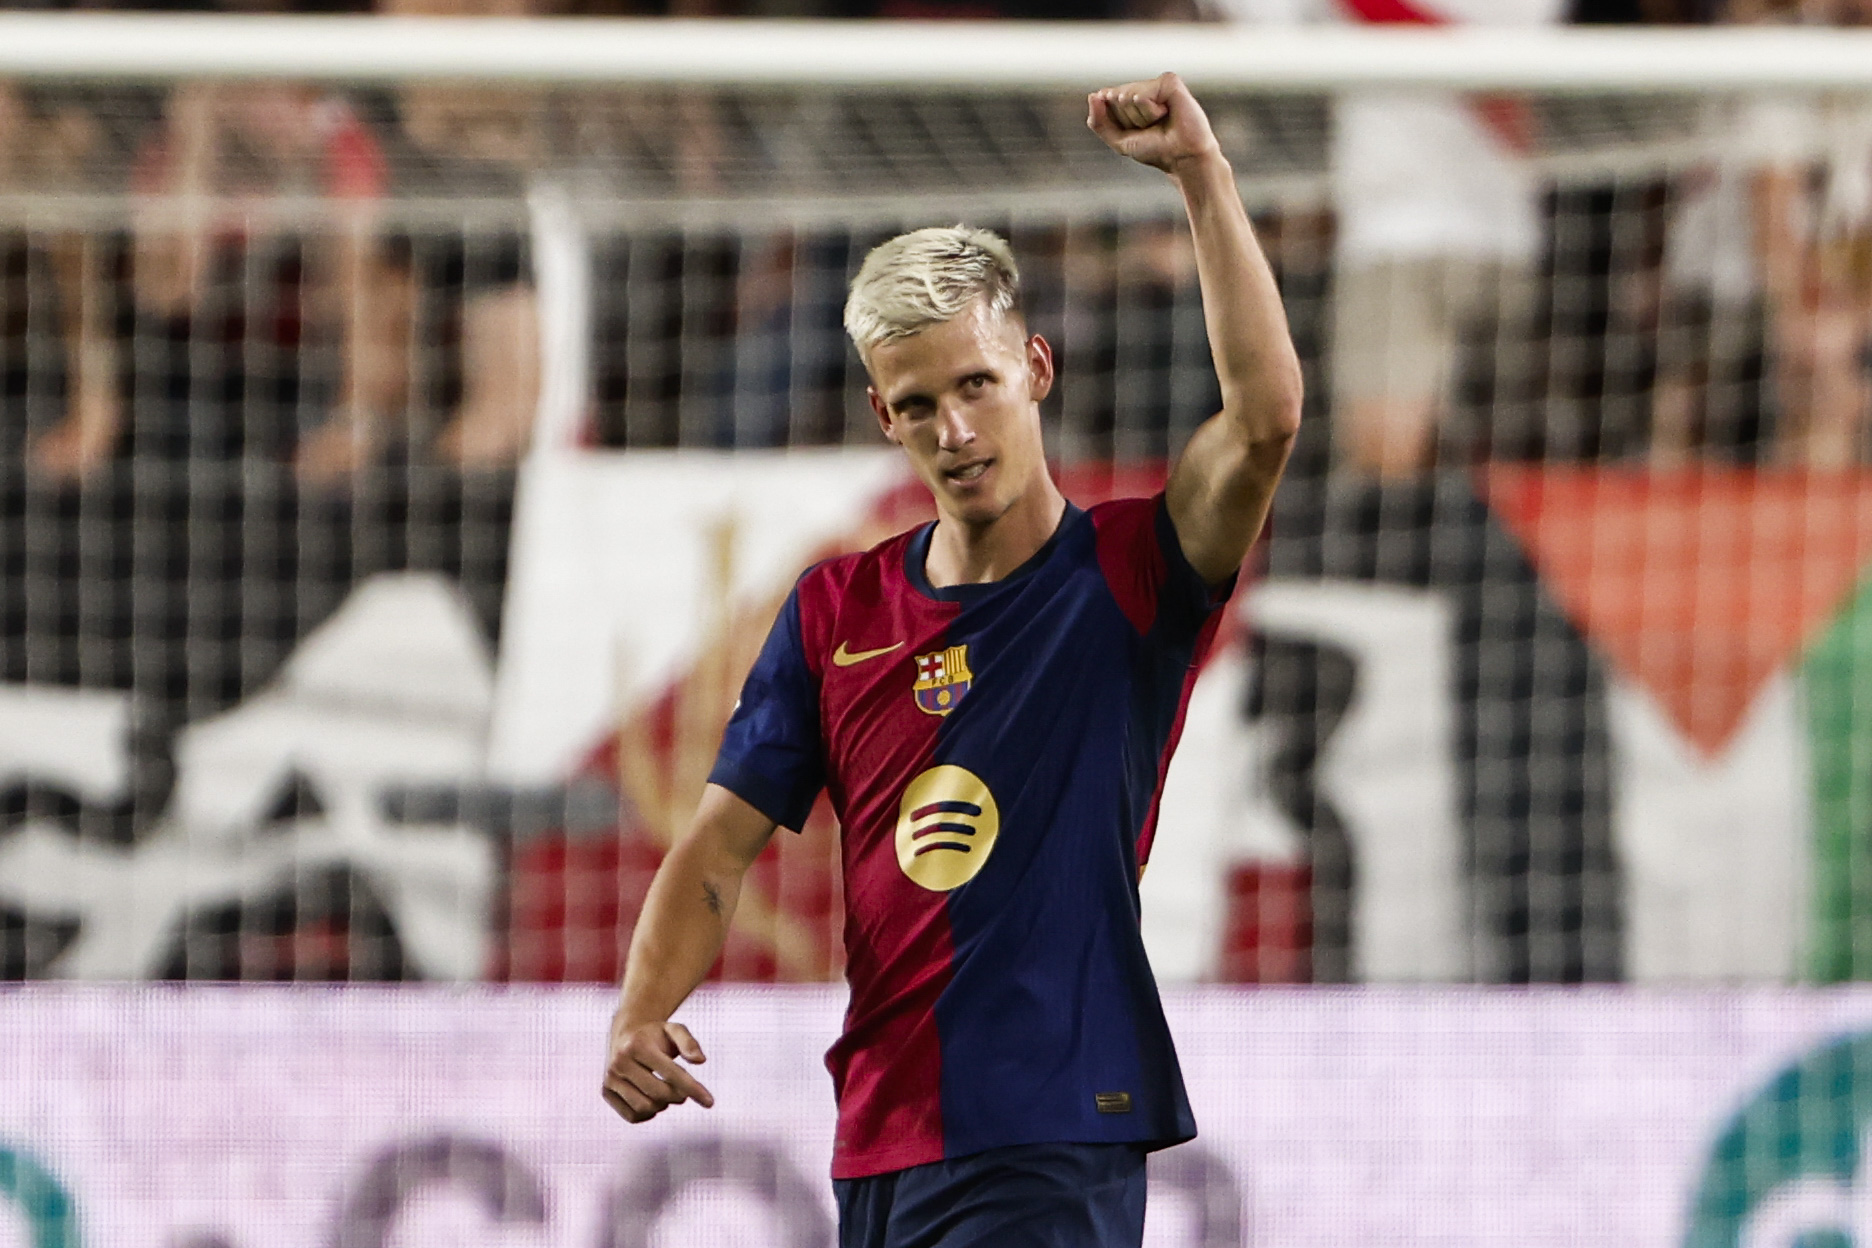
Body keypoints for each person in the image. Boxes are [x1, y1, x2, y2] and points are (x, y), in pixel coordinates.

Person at [600, 72, 1302, 1246]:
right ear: (885, 417)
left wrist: (1200, 176)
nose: (956, 430)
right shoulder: (836, 608)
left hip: (1054, 1123)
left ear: (1035, 367)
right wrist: (640, 1013)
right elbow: (719, 845)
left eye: (977, 385)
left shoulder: (1132, 571)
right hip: (881, 1133)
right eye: (920, 404)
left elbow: (1267, 418)